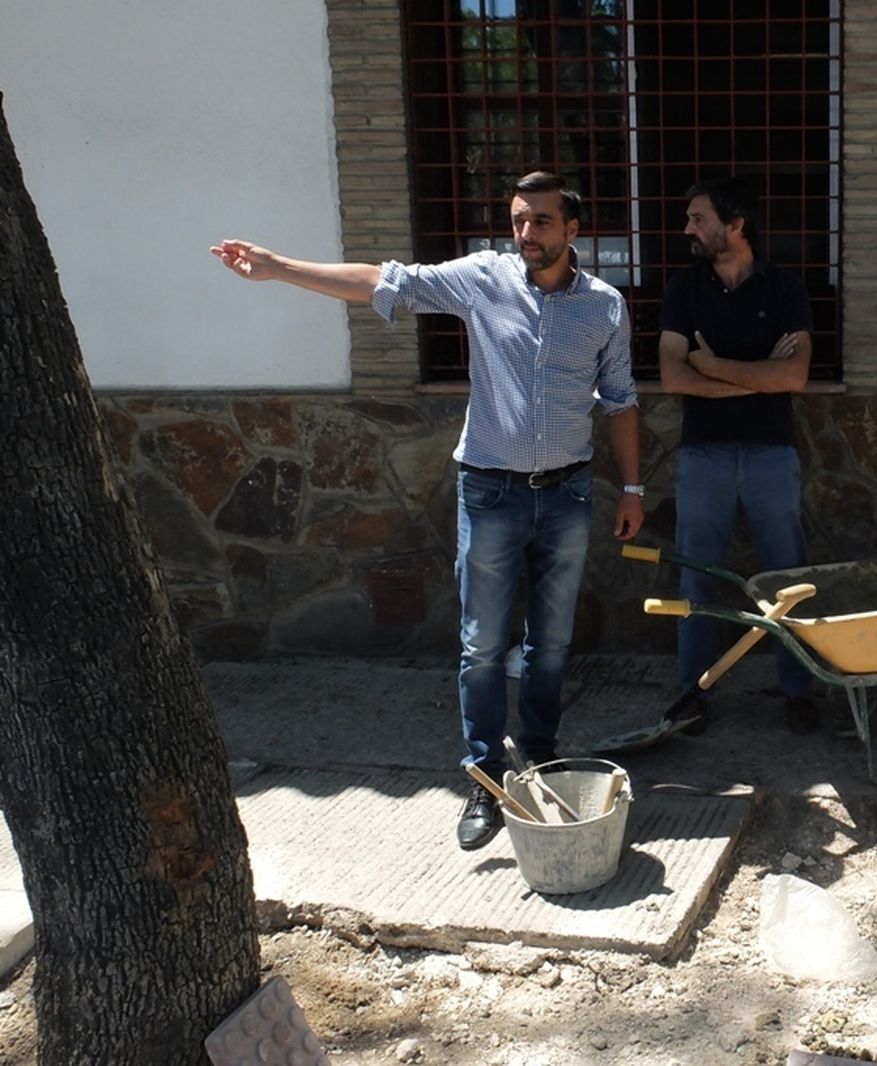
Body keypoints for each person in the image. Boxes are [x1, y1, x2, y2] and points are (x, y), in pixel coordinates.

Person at [210, 171, 643, 852]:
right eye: (519, 220)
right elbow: (387, 282)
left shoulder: (605, 308)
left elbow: (619, 400)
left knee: (551, 643)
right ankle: (484, 778)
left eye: (541, 221)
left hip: (565, 495)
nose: (527, 234)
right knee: (480, 646)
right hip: (492, 492)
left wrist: (636, 489)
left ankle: (539, 757)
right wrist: (279, 268)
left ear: (574, 230)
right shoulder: (483, 278)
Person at [657, 177, 820, 734]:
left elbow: (794, 374)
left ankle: (799, 688)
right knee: (696, 578)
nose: (687, 229)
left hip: (771, 455)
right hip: (704, 455)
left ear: (735, 225)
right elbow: (673, 374)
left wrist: (715, 365)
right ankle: (693, 691)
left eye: (698, 218)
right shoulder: (684, 289)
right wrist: (756, 379)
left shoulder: (785, 290)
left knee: (788, 578)